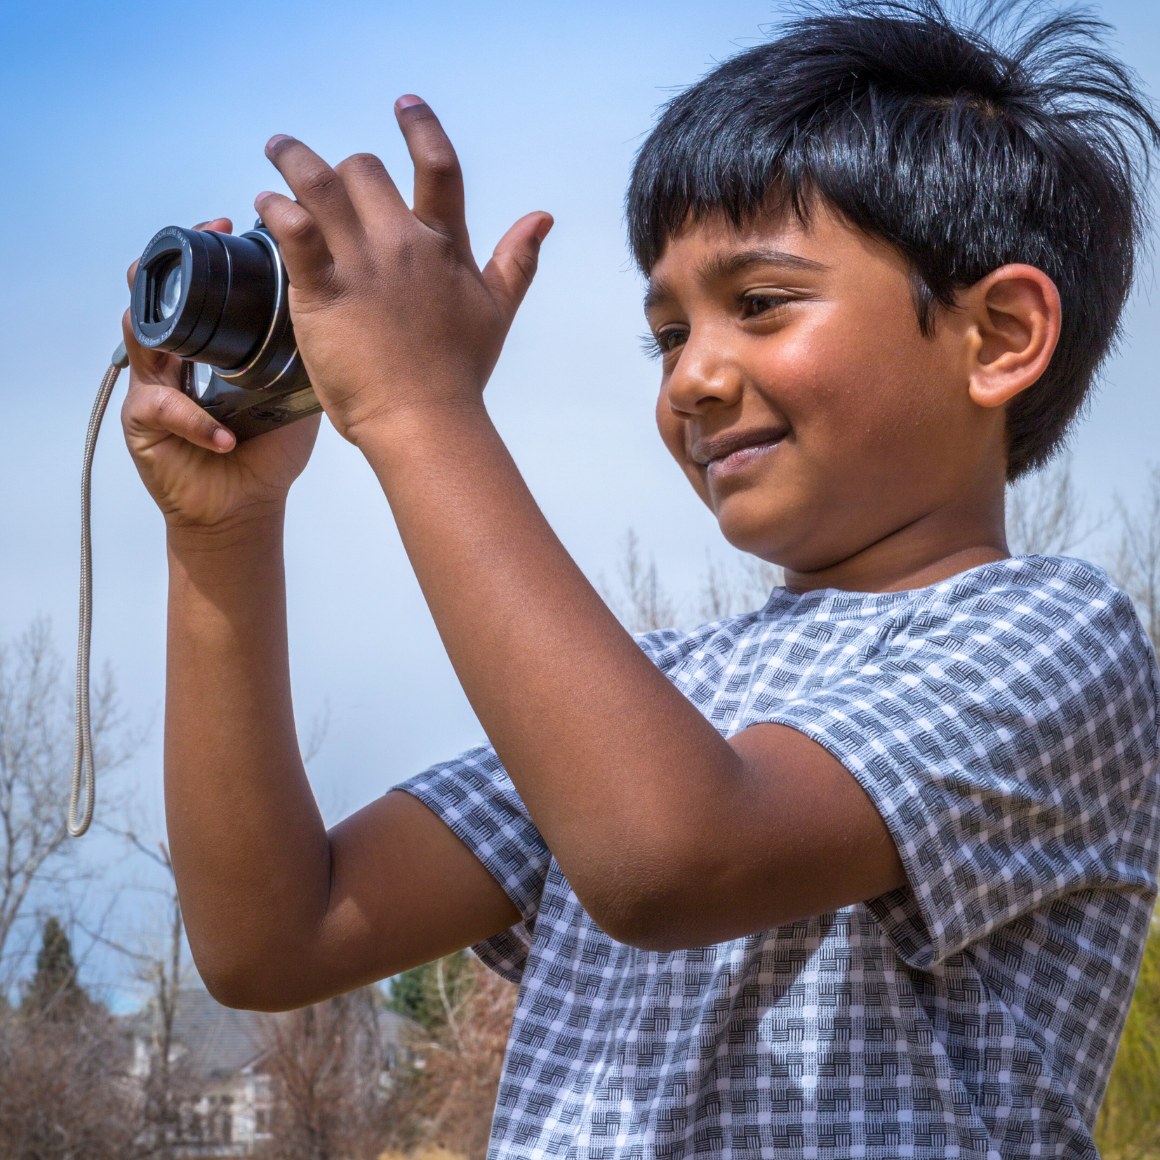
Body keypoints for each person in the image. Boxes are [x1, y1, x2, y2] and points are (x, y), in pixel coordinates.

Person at [119, 1, 1160, 1156]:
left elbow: (665, 858)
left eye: (758, 303)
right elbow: (276, 934)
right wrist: (222, 536)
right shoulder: (658, 691)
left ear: (1000, 333)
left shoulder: (1056, 638)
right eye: (665, 334)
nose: (693, 379)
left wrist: (418, 408)